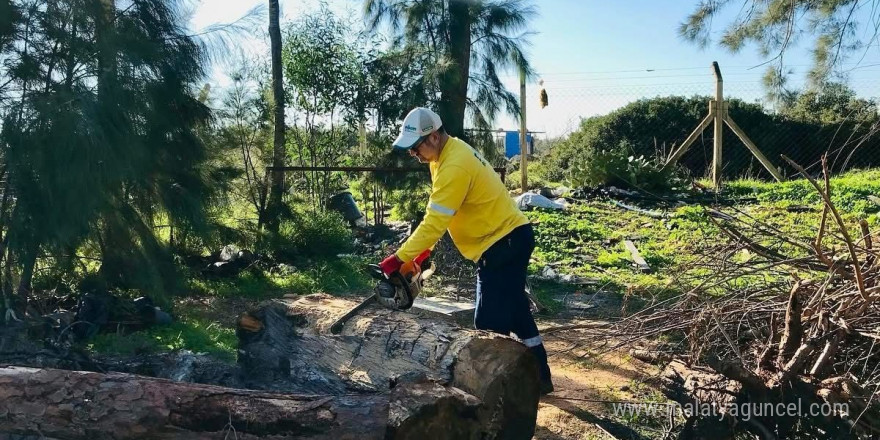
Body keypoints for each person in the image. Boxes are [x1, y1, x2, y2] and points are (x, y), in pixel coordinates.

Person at [377, 107, 553, 394]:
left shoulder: (454, 165)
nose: (413, 154)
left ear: (433, 137)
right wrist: (422, 252)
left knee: (487, 327)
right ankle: (540, 379)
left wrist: (399, 259)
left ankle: (494, 394)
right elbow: (444, 214)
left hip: (502, 244)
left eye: (416, 147)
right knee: (517, 311)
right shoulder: (444, 156)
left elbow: (434, 221)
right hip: (508, 239)